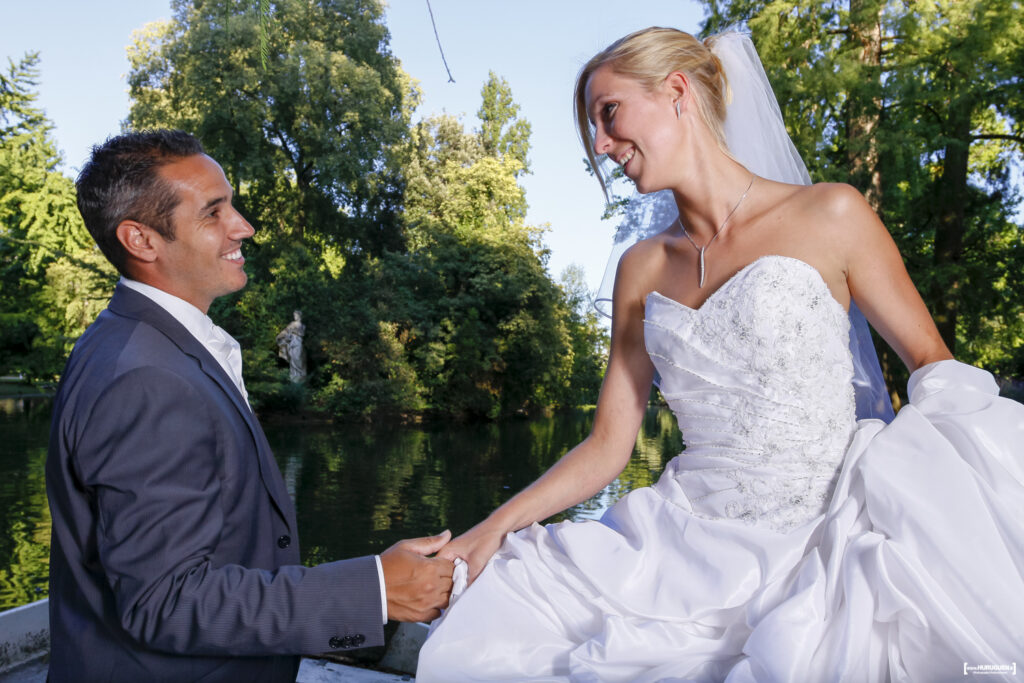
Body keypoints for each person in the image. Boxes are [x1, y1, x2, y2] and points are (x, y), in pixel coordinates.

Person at [417, 28, 1024, 682]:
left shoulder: (831, 214)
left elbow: (935, 368)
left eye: (609, 113)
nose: (599, 143)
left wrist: (934, 493)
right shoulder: (641, 269)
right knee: (507, 606)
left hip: (825, 533)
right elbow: (607, 445)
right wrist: (492, 528)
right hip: (680, 543)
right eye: (593, 126)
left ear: (676, 92)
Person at [46, 130, 454, 683]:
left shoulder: (140, 343)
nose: (244, 226)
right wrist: (375, 589)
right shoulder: (145, 377)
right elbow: (165, 601)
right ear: (141, 240)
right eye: (213, 213)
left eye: (230, 203)